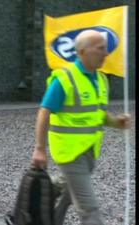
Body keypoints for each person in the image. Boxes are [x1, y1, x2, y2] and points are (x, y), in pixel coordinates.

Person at [30, 30, 130, 225]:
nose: (106, 53)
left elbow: (97, 115)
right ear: (82, 51)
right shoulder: (64, 79)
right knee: (89, 208)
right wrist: (40, 149)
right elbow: (44, 111)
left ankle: (41, 215)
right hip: (69, 153)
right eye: (100, 48)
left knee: (67, 194)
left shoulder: (101, 80)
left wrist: (116, 122)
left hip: (90, 151)